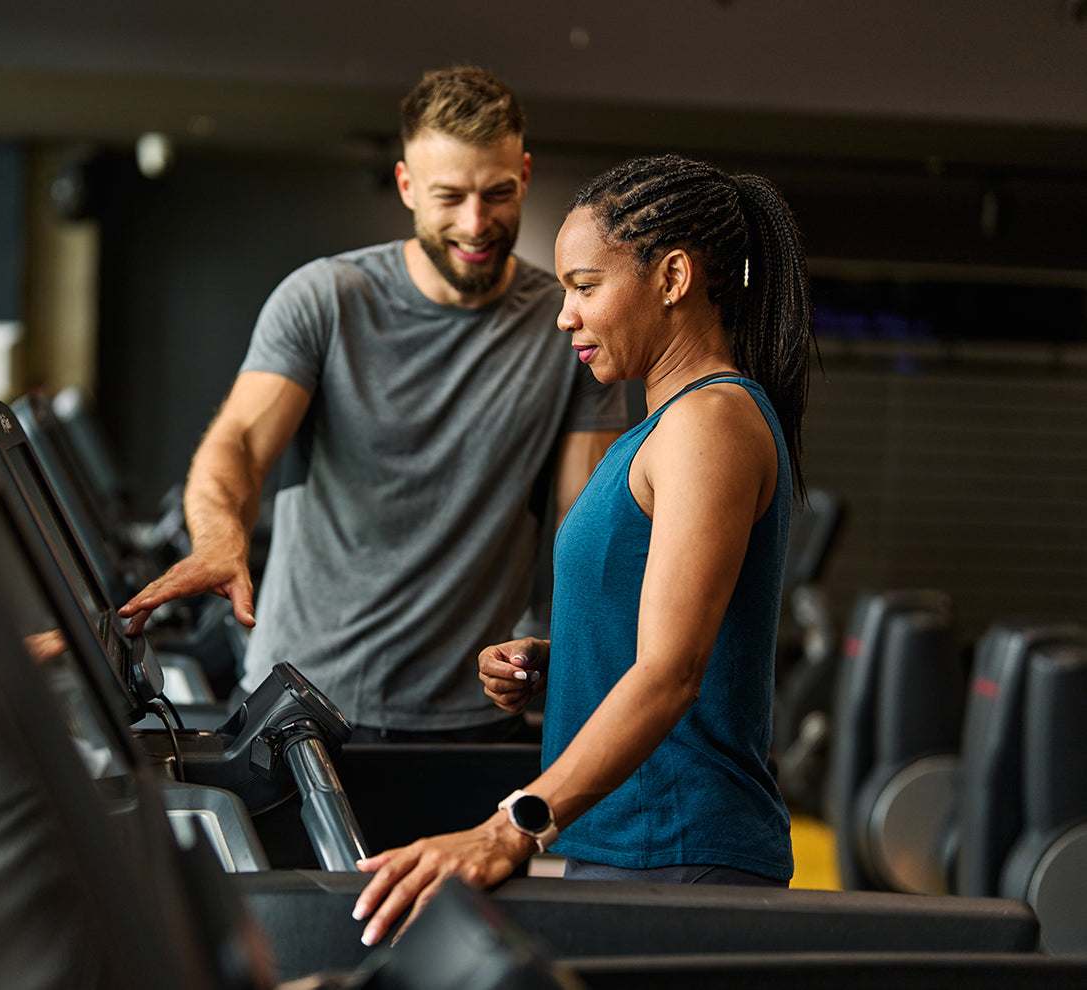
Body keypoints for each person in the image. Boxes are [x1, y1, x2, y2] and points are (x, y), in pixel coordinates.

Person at [351, 153, 815, 945]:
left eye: (586, 286)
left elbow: (672, 673)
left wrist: (510, 829)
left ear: (672, 277)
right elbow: (657, 630)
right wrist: (562, 659)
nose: (565, 314)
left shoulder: (710, 424)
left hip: (681, 850)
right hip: (629, 845)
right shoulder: (663, 430)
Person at [119, 67, 627, 740]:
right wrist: (219, 537)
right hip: (302, 700)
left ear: (525, 175)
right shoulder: (326, 299)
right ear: (407, 186)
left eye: (496, 194)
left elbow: (582, 520)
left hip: (469, 712)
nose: (476, 224)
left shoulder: (571, 324)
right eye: (448, 196)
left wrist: (548, 646)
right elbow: (239, 440)